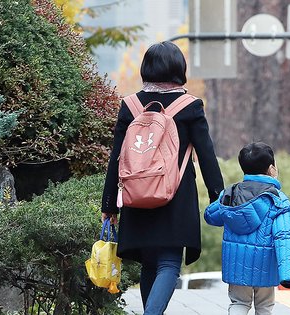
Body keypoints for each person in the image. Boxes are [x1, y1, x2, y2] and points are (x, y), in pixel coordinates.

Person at [100, 41, 224, 315]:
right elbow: (206, 154)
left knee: (149, 264)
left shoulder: (131, 105)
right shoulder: (189, 106)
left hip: (135, 193)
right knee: (169, 263)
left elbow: (117, 158)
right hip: (175, 194)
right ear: (179, 69)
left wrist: (109, 204)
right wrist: (219, 196)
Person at [204, 142, 290, 315]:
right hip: (265, 267)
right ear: (272, 169)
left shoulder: (230, 194)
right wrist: (288, 275)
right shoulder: (279, 200)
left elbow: (211, 216)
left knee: (239, 303)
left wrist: (222, 201)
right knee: (264, 307)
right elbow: (284, 237)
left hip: (237, 265)